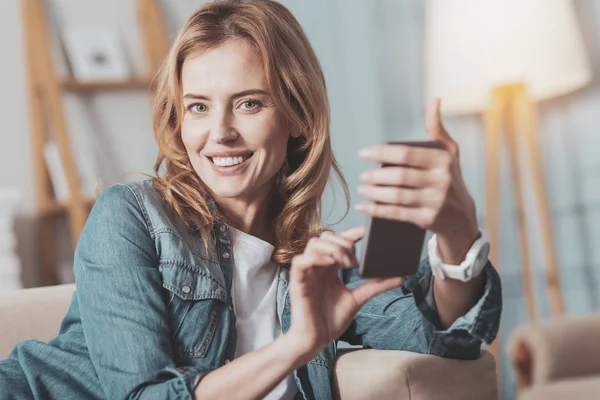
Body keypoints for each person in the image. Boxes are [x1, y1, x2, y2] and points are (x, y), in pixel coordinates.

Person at [0, 0, 502, 399]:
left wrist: (458, 231)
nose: (219, 133)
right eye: (198, 106)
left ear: (298, 115)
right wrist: (295, 346)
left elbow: (441, 333)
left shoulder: (314, 261)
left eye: (249, 103)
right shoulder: (130, 216)